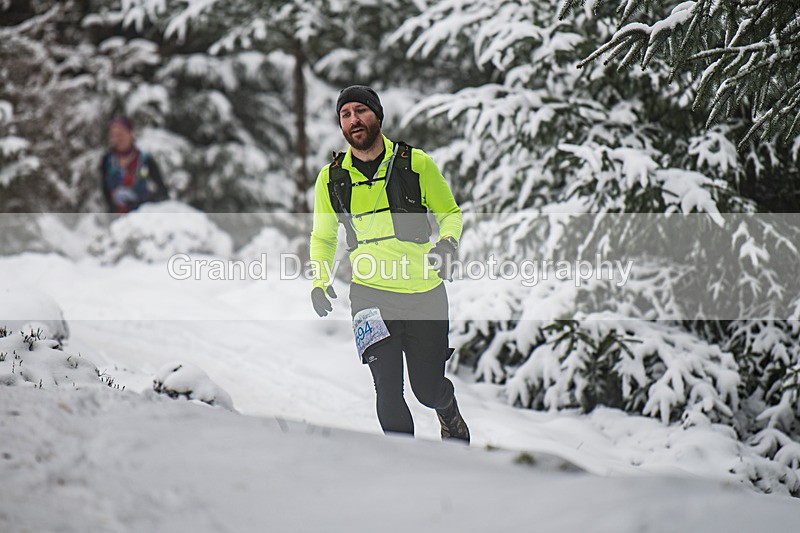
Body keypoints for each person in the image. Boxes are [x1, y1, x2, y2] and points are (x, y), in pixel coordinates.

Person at [309, 85, 470, 443]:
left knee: (427, 390)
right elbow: (322, 237)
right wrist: (320, 281)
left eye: (361, 111)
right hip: (369, 297)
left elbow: (450, 214)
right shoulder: (332, 178)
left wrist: (447, 244)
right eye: (345, 114)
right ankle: (405, 465)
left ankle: (448, 412)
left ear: (377, 115)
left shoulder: (416, 163)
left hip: (424, 294)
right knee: (387, 389)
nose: (354, 120)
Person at [100, 117, 168, 213]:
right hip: (117, 217)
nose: (118, 138)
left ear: (130, 133)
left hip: (142, 214)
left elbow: (161, 190)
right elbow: (105, 190)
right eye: (114, 135)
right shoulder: (107, 161)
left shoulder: (145, 160)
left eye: (122, 133)